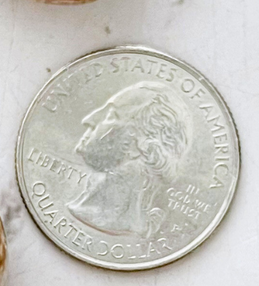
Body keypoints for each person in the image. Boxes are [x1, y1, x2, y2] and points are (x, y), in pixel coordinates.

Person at [70, 81, 192, 238]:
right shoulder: (85, 209)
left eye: (111, 115)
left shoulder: (116, 223)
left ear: (141, 145)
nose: (89, 119)